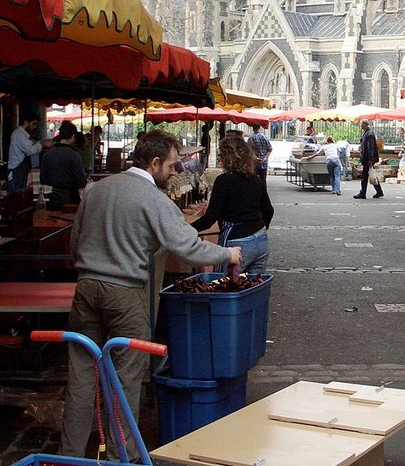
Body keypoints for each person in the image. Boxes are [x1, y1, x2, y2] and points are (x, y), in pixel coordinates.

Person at [61, 129, 242, 460]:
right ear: (155, 163)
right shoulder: (154, 199)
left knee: (81, 377)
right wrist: (227, 255)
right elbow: (186, 247)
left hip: (86, 288)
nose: (175, 172)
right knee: (127, 376)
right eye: (172, 166)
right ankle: (120, 455)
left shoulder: (97, 190)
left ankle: (69, 455)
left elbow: (75, 242)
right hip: (125, 292)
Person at [190, 136, 273, 273]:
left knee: (224, 285)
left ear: (227, 157)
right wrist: (262, 226)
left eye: (221, 154)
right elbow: (268, 210)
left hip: (236, 243)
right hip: (260, 240)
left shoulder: (223, 181)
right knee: (254, 287)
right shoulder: (256, 180)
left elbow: (210, 218)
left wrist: (186, 231)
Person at [40, 120, 88, 209]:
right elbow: (82, 181)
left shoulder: (47, 154)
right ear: (73, 136)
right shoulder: (74, 155)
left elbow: (43, 179)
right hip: (71, 198)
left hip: (52, 197)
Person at [8, 114, 51, 193]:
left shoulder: (22, 135)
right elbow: (30, 151)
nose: (35, 127)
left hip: (20, 171)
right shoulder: (19, 134)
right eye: (33, 124)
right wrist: (42, 144)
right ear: (26, 122)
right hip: (17, 172)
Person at [353, 119, 383, 199]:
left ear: (364, 125)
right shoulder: (367, 133)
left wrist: (370, 159)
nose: (360, 126)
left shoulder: (369, 134)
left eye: (361, 124)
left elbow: (371, 148)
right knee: (370, 175)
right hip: (367, 159)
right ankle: (379, 192)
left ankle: (363, 193)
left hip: (368, 159)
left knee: (365, 176)